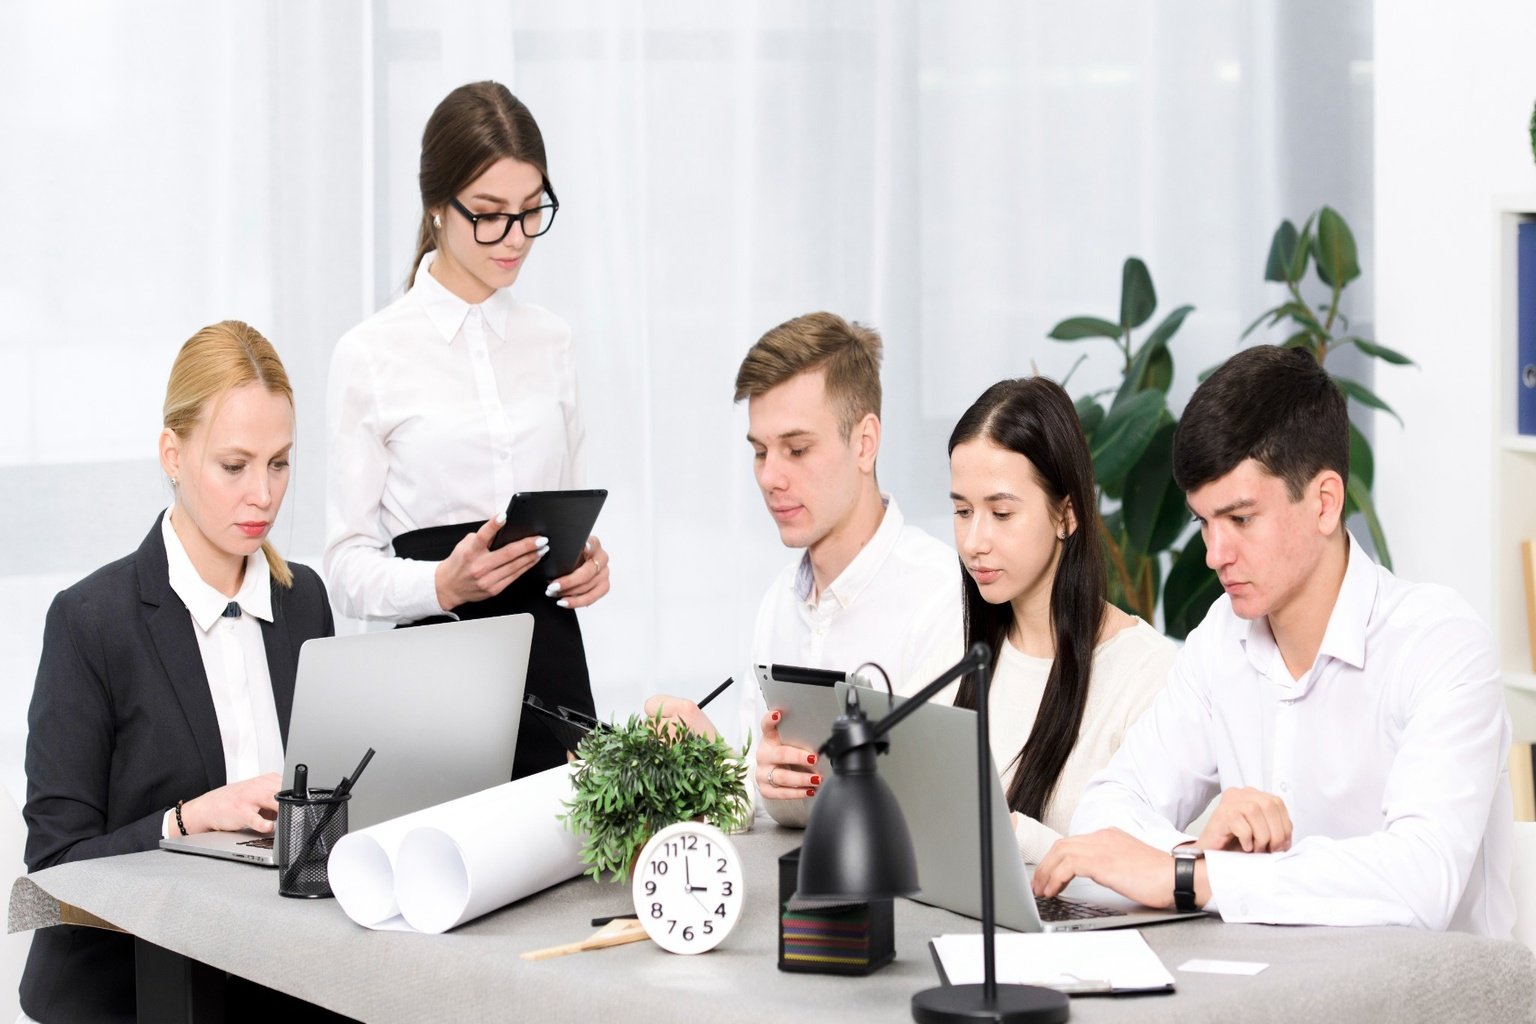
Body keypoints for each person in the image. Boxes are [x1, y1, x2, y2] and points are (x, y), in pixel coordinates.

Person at [1033, 345, 1513, 937]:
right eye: (1203, 522)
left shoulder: (1441, 645)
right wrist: (1192, 855)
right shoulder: (1220, 637)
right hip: (1272, 987)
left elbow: (1420, 882)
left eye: (1240, 519)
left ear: (1324, 502)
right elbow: (1107, 807)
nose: (1214, 555)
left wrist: (1194, 877)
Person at [21, 322, 335, 1022]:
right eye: (235, 465)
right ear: (173, 453)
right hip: (133, 991)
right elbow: (54, 867)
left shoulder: (305, 599)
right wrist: (186, 819)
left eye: (280, 463)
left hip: (283, 980)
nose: (263, 494)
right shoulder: (90, 622)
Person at [326, 81, 608, 780]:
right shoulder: (370, 354)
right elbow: (344, 568)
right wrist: (442, 586)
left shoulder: (554, 342)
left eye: (530, 211)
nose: (514, 238)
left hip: (552, 665)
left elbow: (564, 517)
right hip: (433, 675)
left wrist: (588, 563)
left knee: (580, 875)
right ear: (436, 205)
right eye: (488, 215)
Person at [649, 312, 963, 827]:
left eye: (796, 449)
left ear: (864, 443)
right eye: (759, 452)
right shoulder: (779, 604)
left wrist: (779, 785)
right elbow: (758, 802)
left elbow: (935, 814)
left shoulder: (940, 595)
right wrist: (711, 761)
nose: (770, 477)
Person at [942, 377, 1176, 863]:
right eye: (963, 511)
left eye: (1001, 513)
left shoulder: (1147, 674)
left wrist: (1017, 837)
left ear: (1066, 515)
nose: (973, 541)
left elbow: (1153, 871)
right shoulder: (953, 653)